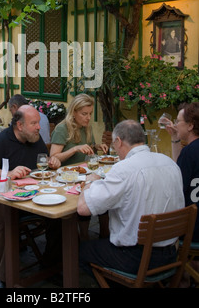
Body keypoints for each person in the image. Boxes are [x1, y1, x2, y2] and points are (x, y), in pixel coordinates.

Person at [77, 119, 185, 280]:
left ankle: (119, 283)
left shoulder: (124, 169)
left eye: (114, 145)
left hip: (138, 258)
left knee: (79, 251)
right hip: (171, 253)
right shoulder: (170, 163)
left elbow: (83, 209)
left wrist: (89, 182)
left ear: (118, 142)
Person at [0, 105, 61, 288]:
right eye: (34, 123)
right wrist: (7, 174)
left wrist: (51, 162)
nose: (39, 127)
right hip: (2, 195)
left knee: (60, 216)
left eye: (38, 123)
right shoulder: (0, 141)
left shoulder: (35, 139)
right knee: (5, 222)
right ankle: (3, 277)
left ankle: (50, 265)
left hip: (32, 193)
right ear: (19, 125)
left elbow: (42, 162)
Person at [166, 102, 199, 242]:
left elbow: (175, 185)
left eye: (178, 121)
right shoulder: (191, 151)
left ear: (190, 125)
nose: (175, 124)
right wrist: (175, 137)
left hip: (191, 227)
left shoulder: (189, 152)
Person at [50, 93, 108, 166]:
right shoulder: (62, 129)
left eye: (90, 113)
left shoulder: (87, 127)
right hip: (67, 174)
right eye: (84, 114)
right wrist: (75, 149)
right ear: (74, 112)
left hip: (85, 171)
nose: (89, 118)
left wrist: (97, 146)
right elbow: (53, 158)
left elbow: (90, 146)